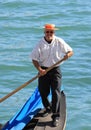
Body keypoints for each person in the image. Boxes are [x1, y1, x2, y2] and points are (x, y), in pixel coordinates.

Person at [31, 24, 73, 127]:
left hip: (55, 70)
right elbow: (34, 59)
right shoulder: (39, 44)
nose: (49, 34)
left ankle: (55, 116)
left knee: (56, 92)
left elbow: (71, 51)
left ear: (54, 32)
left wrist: (68, 55)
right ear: (44, 32)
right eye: (47, 32)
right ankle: (48, 108)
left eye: (51, 32)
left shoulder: (59, 41)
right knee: (42, 91)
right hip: (43, 70)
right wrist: (40, 69)